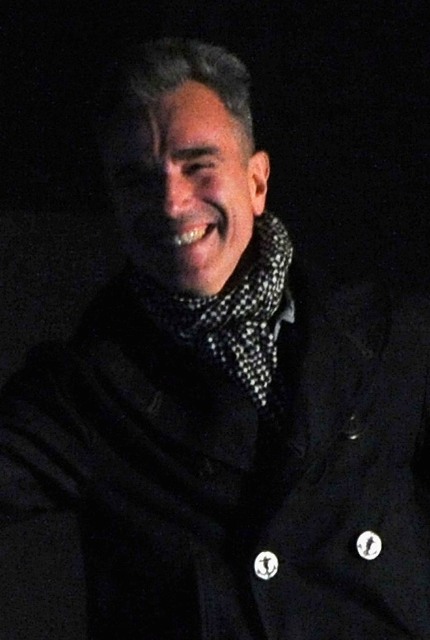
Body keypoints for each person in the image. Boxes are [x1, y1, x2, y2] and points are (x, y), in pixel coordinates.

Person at [1, 37, 430, 640]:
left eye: (198, 165)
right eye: (137, 180)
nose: (171, 203)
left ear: (256, 182)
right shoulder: (84, 393)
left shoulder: (390, 339)